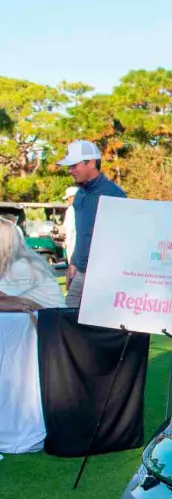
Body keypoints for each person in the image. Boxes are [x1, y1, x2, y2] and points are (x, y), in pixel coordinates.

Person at [0, 219, 66, 454]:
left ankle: (13, 421)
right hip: (43, 331)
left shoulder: (20, 267)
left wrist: (16, 303)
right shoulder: (17, 264)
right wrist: (17, 303)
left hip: (52, 336)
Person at [58, 140, 126, 308]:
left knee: (97, 329)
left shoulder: (113, 194)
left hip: (104, 277)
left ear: (91, 163)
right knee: (68, 321)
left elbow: (121, 240)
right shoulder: (80, 194)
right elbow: (83, 235)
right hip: (80, 272)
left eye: (74, 165)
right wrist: (73, 262)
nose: (70, 170)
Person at [61, 184, 78, 265]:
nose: (67, 201)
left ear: (72, 197)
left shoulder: (71, 210)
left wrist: (67, 242)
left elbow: (70, 228)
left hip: (73, 245)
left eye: (68, 198)